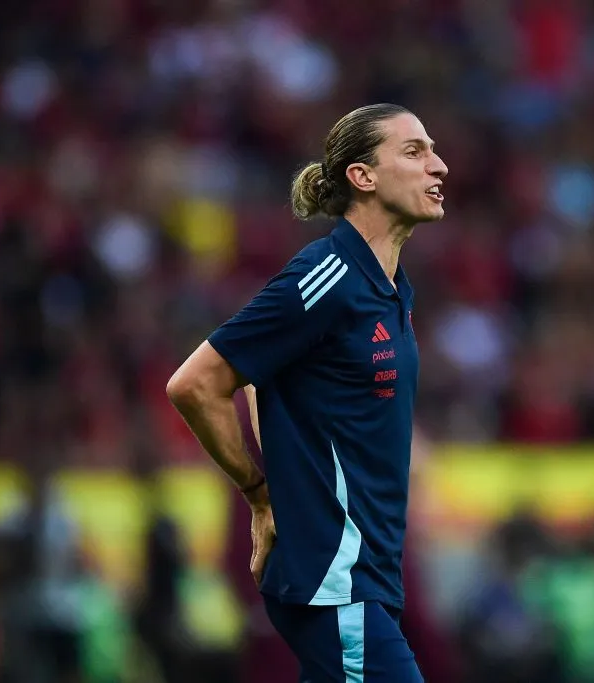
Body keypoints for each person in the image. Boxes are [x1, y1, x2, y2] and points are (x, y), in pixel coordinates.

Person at [166, 103, 447, 682]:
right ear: (362, 177)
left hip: (370, 578)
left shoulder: (392, 289)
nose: (438, 165)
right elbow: (196, 383)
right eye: (414, 151)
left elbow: (264, 376)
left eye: (433, 150)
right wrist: (259, 493)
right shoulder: (330, 274)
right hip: (334, 583)